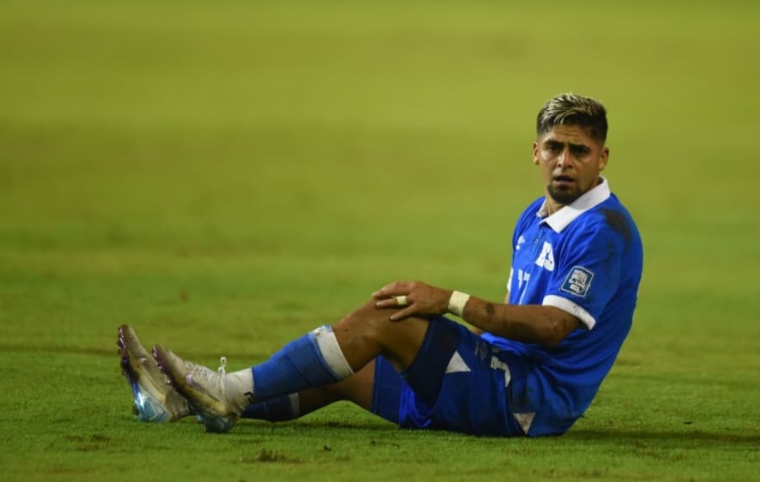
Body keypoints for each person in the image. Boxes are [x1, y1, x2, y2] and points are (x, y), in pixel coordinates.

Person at [118, 92, 643, 437]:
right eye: (554, 147)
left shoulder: (603, 231)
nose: (564, 161)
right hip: (497, 376)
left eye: (579, 150)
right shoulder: (535, 215)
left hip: (526, 400)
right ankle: (185, 402)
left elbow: (553, 328)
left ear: (602, 158)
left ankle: (223, 389)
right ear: (535, 151)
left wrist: (452, 302)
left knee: (388, 317)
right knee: (344, 367)